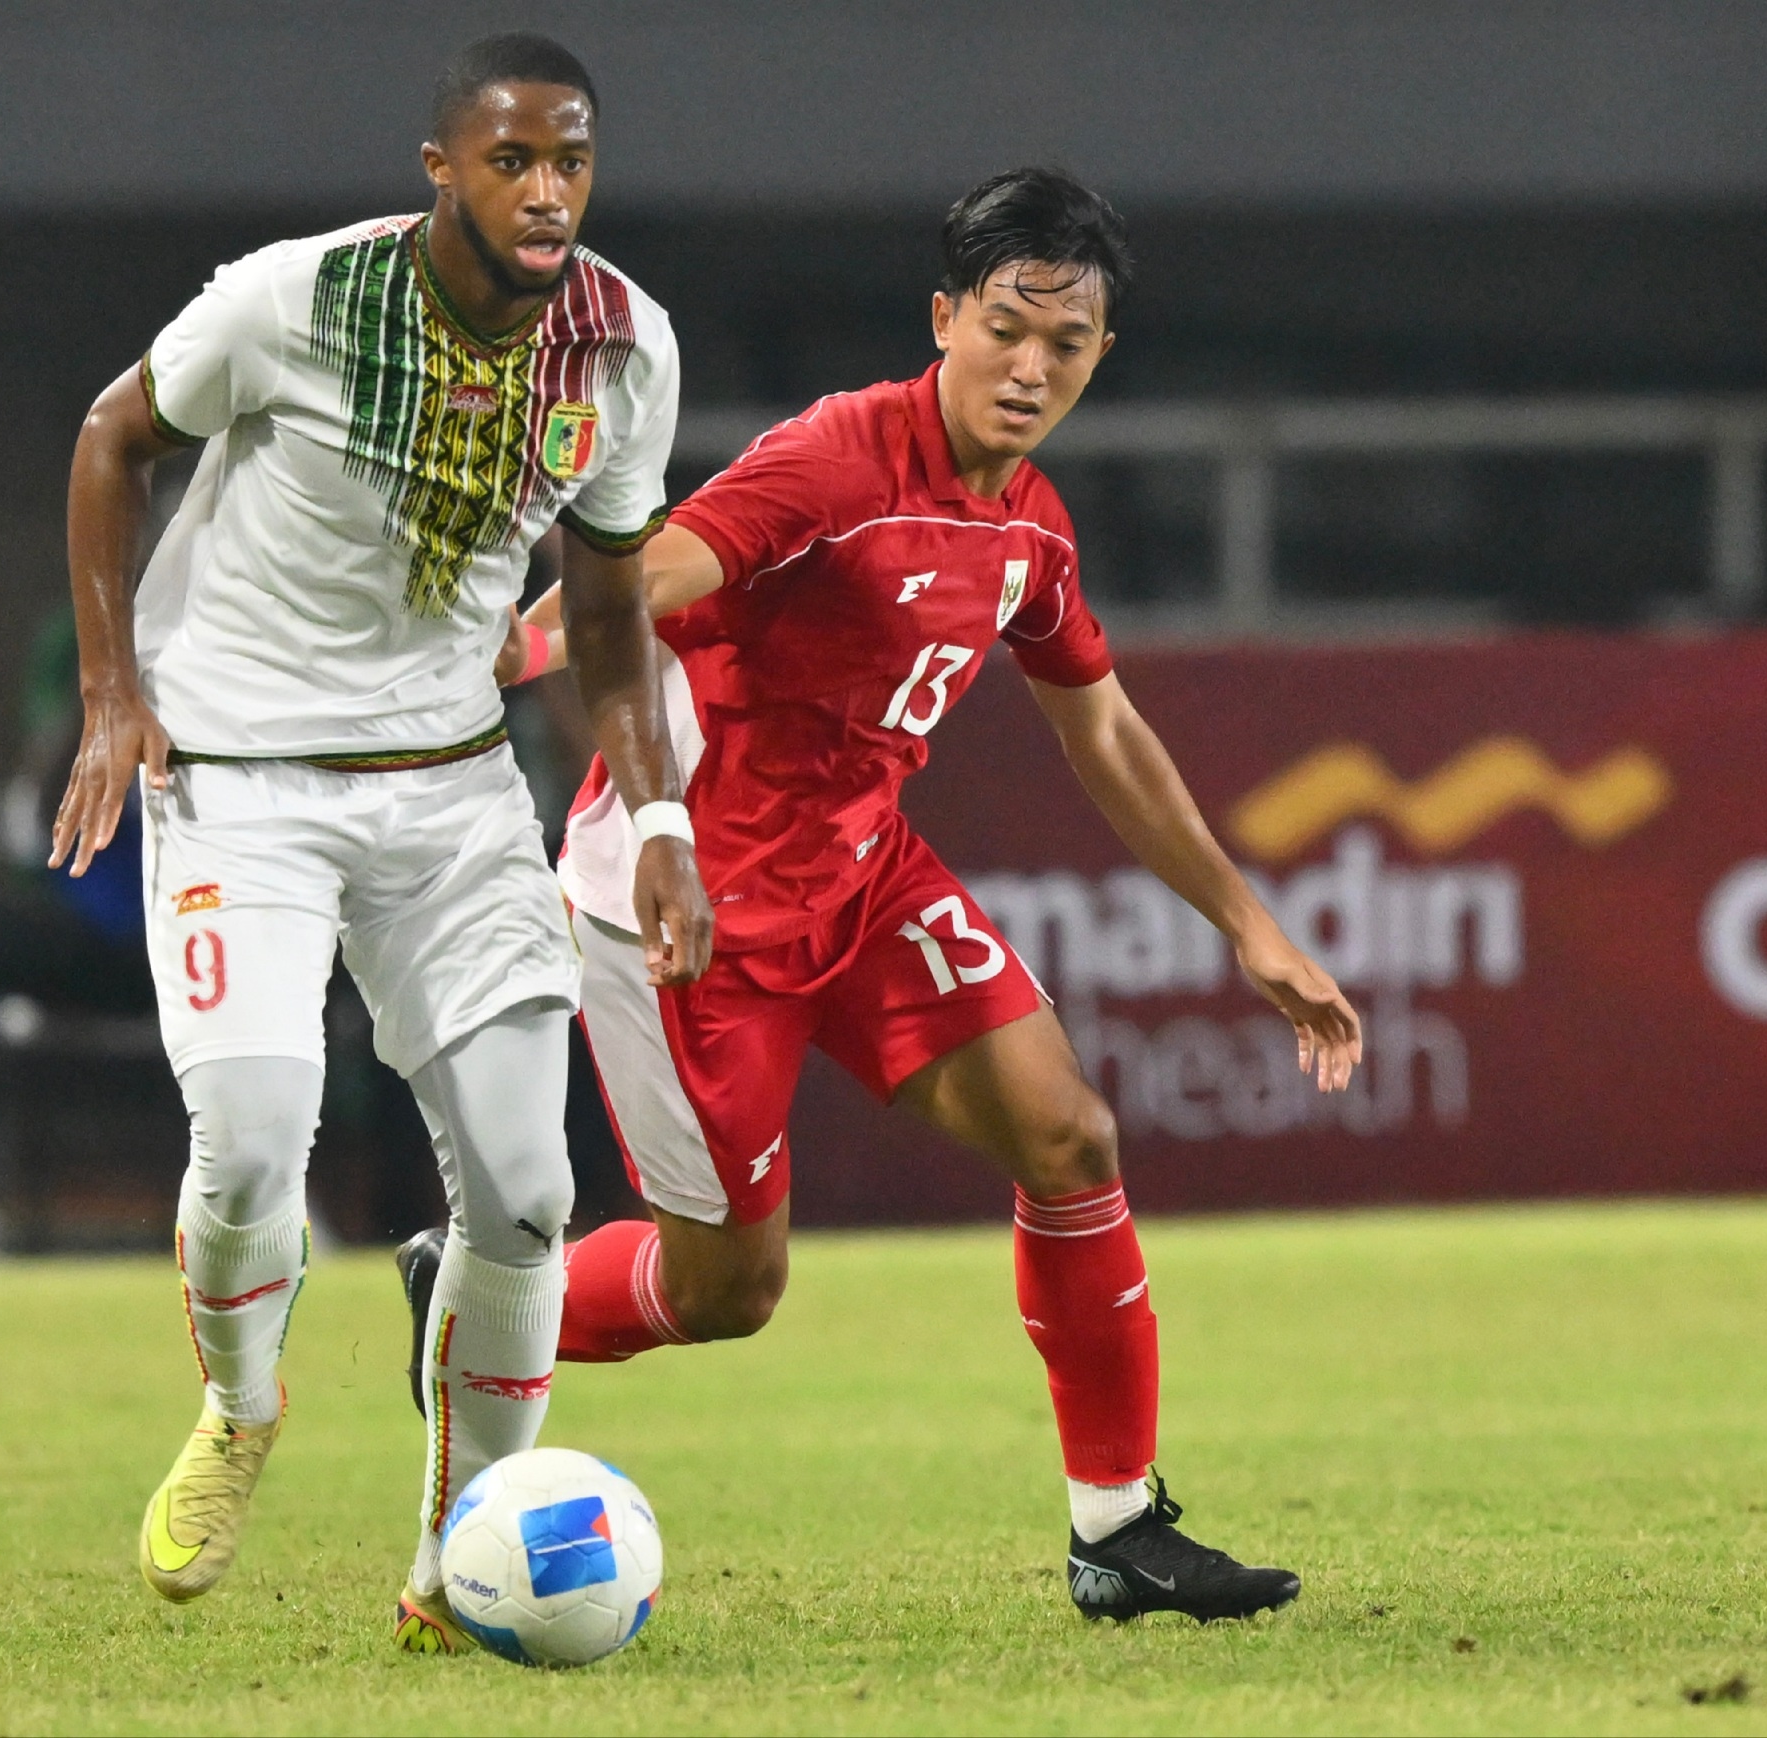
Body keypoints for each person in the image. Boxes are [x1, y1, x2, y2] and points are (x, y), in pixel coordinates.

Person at [491, 167, 1362, 1623]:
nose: (1031, 368)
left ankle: (1118, 1529)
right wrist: (484, 667)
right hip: (690, 905)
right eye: (1007, 328)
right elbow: (627, 585)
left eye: (1067, 344)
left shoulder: (1029, 527)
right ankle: (477, 1309)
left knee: (1069, 1132)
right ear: (943, 318)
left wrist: (1247, 922)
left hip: (862, 875)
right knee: (727, 1292)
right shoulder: (834, 462)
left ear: (1097, 355)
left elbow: (1105, 731)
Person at [51, 32, 713, 1653]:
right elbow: (108, 440)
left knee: (529, 1189)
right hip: (240, 776)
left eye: (570, 160)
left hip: (451, 784)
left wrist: (659, 811)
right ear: (444, 171)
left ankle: (454, 1564)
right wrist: (109, 690)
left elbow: (614, 614)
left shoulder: (623, 348)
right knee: (257, 1138)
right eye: (512, 160)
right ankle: (243, 1402)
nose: (546, 190)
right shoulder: (295, 299)